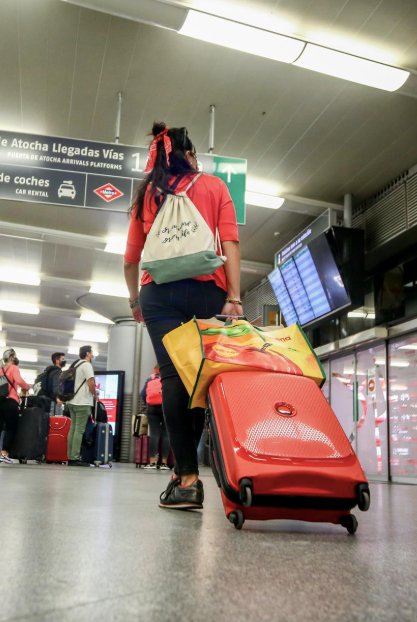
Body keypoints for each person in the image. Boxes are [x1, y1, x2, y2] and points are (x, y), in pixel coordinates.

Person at [123, 122, 242, 510]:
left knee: (173, 374)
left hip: (158, 293)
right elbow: (231, 243)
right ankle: (185, 472)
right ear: (191, 157)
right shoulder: (215, 187)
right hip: (208, 290)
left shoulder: (147, 195)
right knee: (197, 377)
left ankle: (186, 478)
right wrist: (235, 298)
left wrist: (134, 302)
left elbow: (130, 259)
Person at [0, 349, 29, 464]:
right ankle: (4, 454)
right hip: (9, 401)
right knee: (10, 428)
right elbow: (19, 381)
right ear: (11, 358)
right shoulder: (14, 368)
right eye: (15, 356)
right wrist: (27, 386)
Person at [66, 345, 96, 467]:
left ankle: (70, 456)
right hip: (82, 402)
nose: (92, 354)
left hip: (72, 401)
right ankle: (74, 457)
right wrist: (95, 395)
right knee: (79, 430)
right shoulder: (87, 365)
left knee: (72, 429)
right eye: (92, 352)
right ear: (88, 354)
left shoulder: (75, 364)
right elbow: (91, 383)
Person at [140, 365, 170, 470]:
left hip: (152, 408)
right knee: (166, 434)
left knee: (154, 434)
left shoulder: (150, 378)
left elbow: (143, 393)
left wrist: (147, 403)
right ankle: (164, 463)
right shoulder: (169, 377)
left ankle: (152, 462)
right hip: (166, 407)